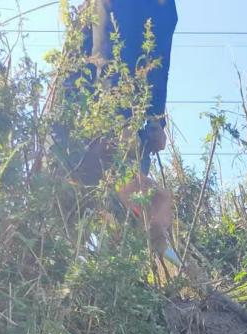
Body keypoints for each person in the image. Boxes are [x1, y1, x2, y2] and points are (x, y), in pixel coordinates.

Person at [61, 0, 177, 250]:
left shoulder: (166, 9)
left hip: (129, 116)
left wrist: (157, 120)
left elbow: (159, 63)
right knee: (67, 209)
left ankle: (119, 276)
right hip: (85, 115)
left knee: (123, 225)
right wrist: (117, 123)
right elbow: (107, 50)